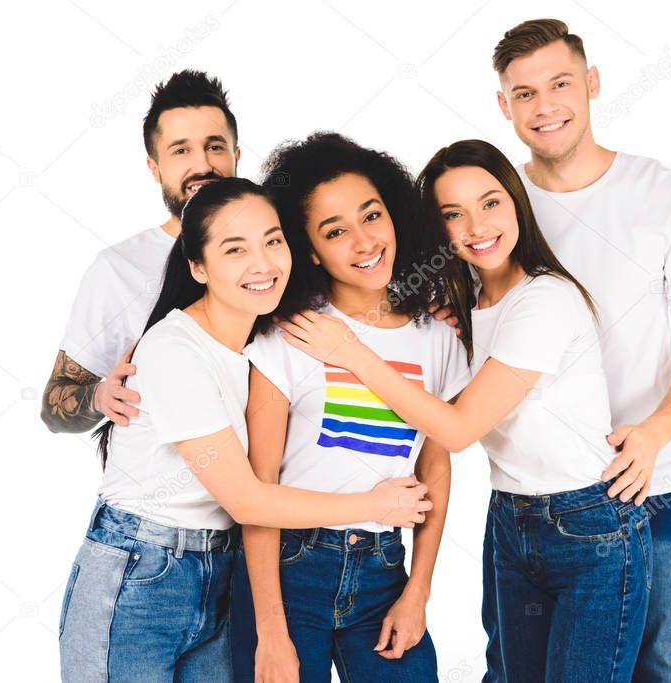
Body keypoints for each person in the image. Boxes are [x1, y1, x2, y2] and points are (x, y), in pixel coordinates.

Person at [277, 140, 652, 682]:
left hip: (588, 525)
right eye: (453, 214)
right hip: (512, 519)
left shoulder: (545, 300)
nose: (477, 226)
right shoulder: (464, 304)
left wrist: (351, 352)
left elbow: (456, 430)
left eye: (491, 203)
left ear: (517, 201)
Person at [58, 178, 432, 682]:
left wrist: (433, 305)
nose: (263, 263)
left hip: (221, 574)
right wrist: (376, 505)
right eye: (236, 250)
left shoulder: (262, 340)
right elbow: (248, 500)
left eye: (273, 241)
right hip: (140, 574)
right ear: (198, 267)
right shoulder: (175, 349)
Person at [491, 19, 671, 681]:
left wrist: (652, 435)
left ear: (591, 84)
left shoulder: (664, 195)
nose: (544, 106)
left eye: (559, 84)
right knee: (523, 670)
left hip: (646, 486)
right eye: (524, 93)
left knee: (657, 662)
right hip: (532, 500)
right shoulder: (494, 206)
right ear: (504, 106)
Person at [236, 133, 469, 682]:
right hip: (293, 574)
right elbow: (256, 493)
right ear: (310, 250)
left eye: (372, 216)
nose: (364, 242)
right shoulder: (286, 335)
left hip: (383, 573)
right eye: (335, 231)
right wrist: (270, 632)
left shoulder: (435, 336)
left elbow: (435, 464)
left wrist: (419, 591)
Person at [41, 69, 242, 434]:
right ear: (155, 167)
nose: (202, 165)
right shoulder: (118, 270)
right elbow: (53, 406)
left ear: (236, 155)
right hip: (148, 491)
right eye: (181, 150)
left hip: (260, 490)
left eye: (215, 146)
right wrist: (100, 397)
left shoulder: (277, 258)